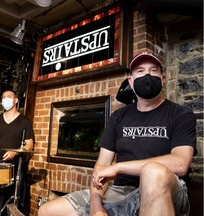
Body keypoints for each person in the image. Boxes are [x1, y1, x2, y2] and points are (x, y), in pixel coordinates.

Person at [38, 52, 196, 216]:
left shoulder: (180, 114)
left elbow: (180, 163)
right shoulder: (118, 117)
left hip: (168, 189)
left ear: (162, 79)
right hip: (121, 191)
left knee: (153, 172)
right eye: (140, 71)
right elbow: (101, 166)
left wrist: (118, 167)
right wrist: (96, 206)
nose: (147, 75)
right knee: (47, 211)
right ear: (131, 81)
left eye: (153, 71)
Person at [0, 89, 34, 215]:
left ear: (15, 101)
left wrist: (15, 153)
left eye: (8, 97)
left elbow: (29, 145)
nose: (5, 99)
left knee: (10, 203)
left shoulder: (25, 121)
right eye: (3, 97)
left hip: (15, 167)